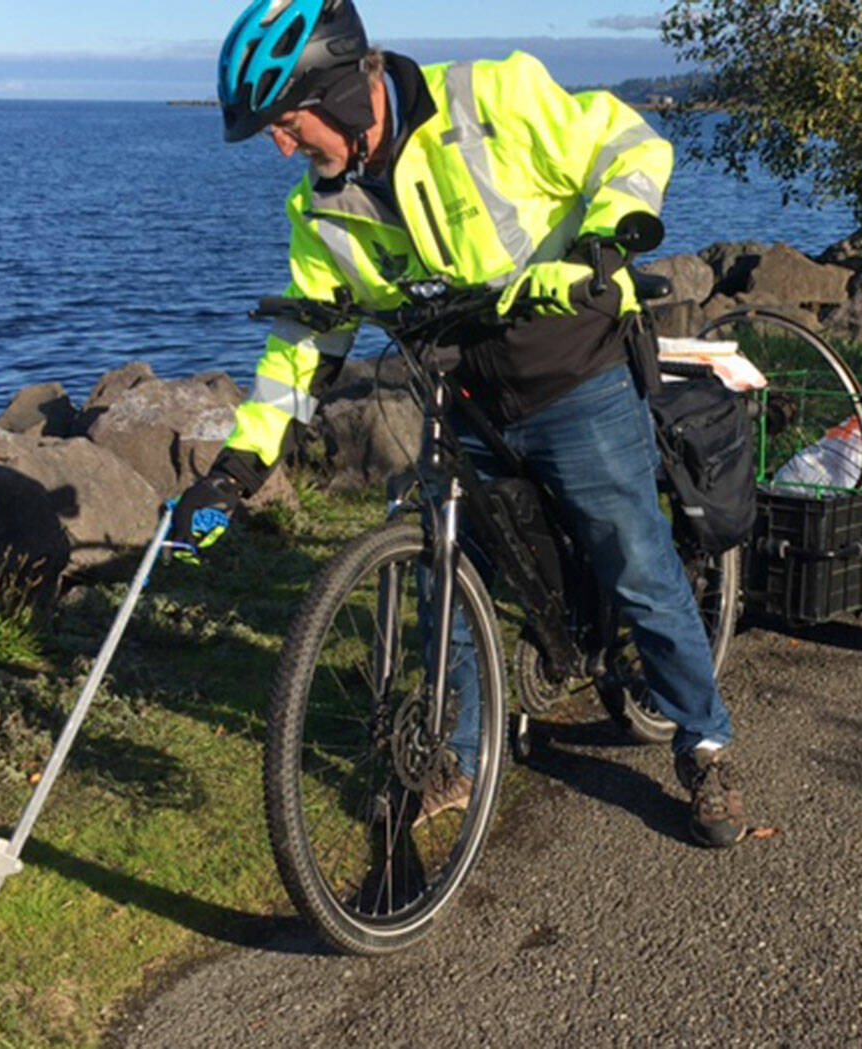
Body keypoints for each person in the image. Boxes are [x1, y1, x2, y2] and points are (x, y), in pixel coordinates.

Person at [171, 0, 750, 847]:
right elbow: (304, 345)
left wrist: (605, 241)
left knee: (632, 554)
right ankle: (466, 758)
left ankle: (705, 743)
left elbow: (624, 142)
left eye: (289, 124)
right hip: (463, 395)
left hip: (573, 370)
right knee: (451, 571)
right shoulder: (323, 210)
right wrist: (236, 469)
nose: (284, 147)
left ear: (337, 93)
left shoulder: (491, 98)